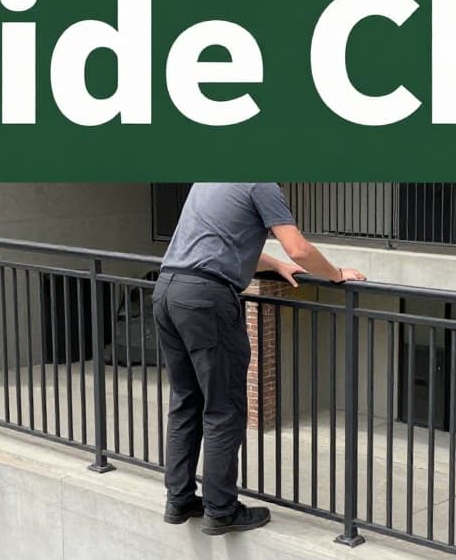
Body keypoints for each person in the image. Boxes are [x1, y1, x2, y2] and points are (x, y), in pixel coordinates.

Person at [152, 183, 366, 535]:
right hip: (206, 300)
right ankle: (220, 508)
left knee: (186, 400)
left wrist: (273, 264)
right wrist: (336, 273)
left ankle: (179, 499)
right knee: (224, 406)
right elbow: (299, 248)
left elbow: (221, 240)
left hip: (169, 289)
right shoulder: (261, 183)